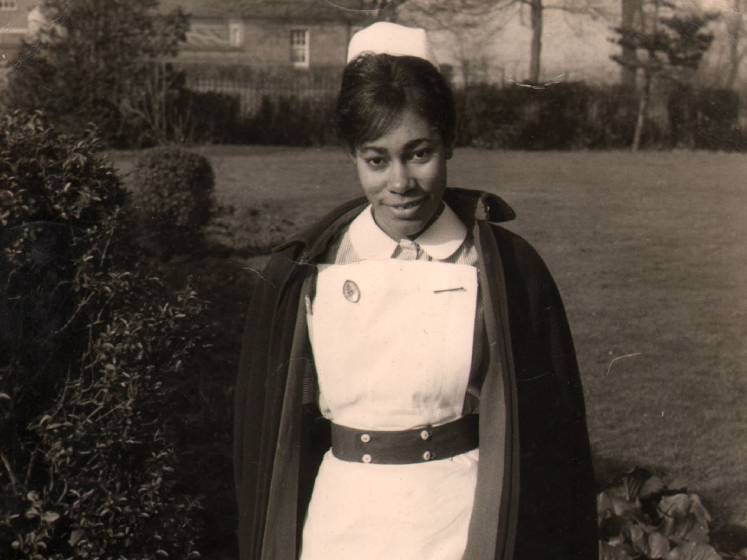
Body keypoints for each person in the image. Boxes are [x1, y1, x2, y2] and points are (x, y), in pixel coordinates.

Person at [234, 22, 598, 560]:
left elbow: (551, 435)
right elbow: (271, 428)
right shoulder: (310, 269)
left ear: (449, 143)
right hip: (341, 521)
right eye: (376, 160)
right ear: (352, 157)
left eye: (419, 153)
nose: (400, 183)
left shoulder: (503, 268)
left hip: (456, 518)